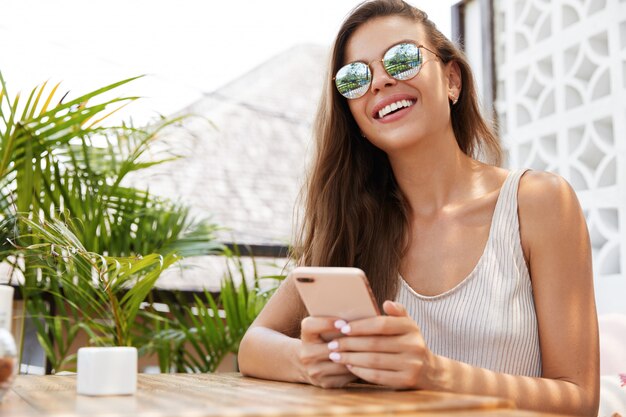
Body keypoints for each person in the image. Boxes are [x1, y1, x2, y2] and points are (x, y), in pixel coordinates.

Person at [237, 0, 600, 414]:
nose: (379, 82)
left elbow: (578, 399)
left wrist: (434, 374)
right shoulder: (354, 222)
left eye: (402, 58)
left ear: (452, 79)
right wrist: (310, 361)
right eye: (355, 77)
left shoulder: (539, 203)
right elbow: (254, 344)